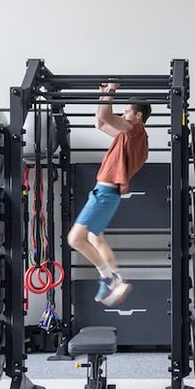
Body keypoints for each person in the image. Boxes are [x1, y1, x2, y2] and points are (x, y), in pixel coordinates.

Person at [66, 82, 150, 307]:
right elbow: (100, 122)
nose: (124, 114)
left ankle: (107, 276)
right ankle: (117, 279)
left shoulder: (136, 131)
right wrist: (102, 95)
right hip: (107, 193)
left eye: (127, 111)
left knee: (75, 239)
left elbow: (106, 114)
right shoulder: (127, 137)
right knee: (94, 237)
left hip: (105, 192)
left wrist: (111, 92)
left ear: (138, 116)